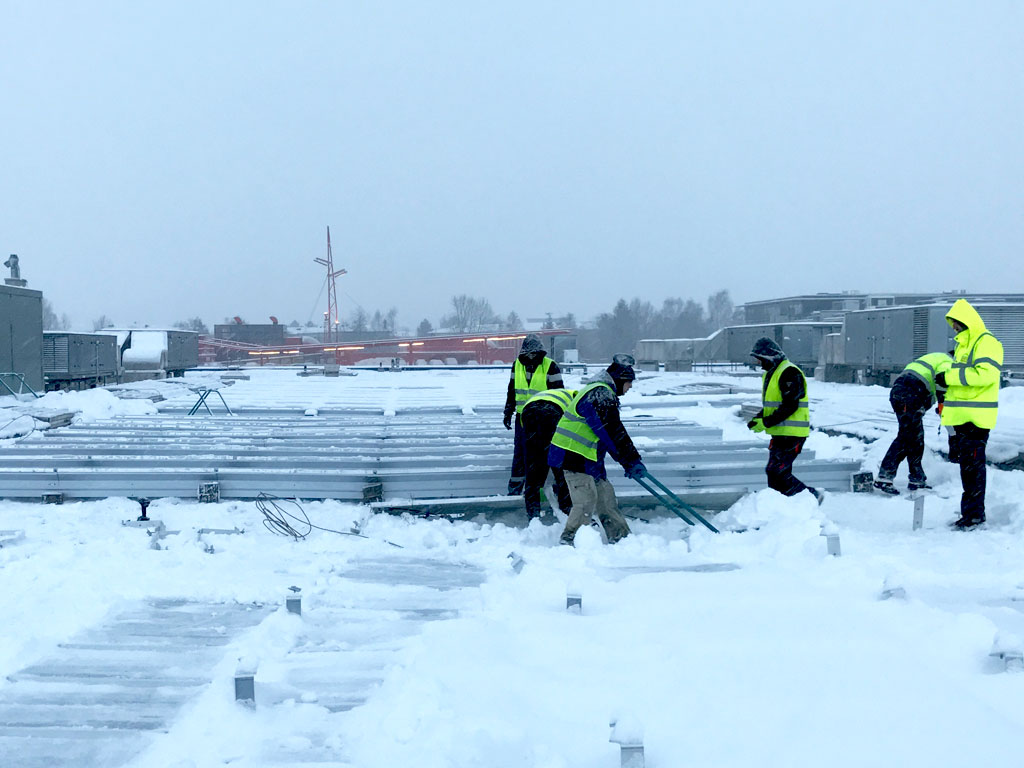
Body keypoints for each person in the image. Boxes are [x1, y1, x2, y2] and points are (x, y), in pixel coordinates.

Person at [549, 354, 645, 545]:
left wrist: (628, 460)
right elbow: (612, 432)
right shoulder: (599, 395)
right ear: (619, 380)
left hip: (589, 456)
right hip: (572, 455)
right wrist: (630, 460)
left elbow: (609, 434)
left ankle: (622, 539)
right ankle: (570, 540)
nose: (631, 386)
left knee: (606, 498)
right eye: (629, 382)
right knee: (585, 501)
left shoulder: (601, 393)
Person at [937, 300, 1003, 530]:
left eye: (956, 324)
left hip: (975, 418)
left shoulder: (987, 343)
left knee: (973, 470)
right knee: (968, 470)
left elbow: (984, 376)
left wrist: (949, 377)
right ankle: (970, 513)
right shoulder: (965, 346)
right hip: (963, 418)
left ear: (966, 322)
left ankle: (974, 516)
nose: (954, 328)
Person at [745, 337, 822, 503]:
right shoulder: (773, 373)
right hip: (781, 432)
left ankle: (810, 498)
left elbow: (790, 405)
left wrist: (766, 422)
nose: (759, 363)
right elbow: (772, 406)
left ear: (771, 356)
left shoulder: (789, 372)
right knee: (773, 473)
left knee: (777, 471)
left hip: (793, 434)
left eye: (760, 359)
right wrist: (759, 418)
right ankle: (780, 506)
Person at [873, 352, 952, 495]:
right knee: (907, 438)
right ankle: (885, 476)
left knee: (914, 438)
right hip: (910, 395)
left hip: (901, 393)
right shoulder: (948, 362)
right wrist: (942, 402)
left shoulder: (935, 357)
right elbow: (942, 382)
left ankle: (916, 478)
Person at [503, 334, 563, 494]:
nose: (531, 356)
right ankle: (515, 489)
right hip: (523, 419)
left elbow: (559, 393)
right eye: (529, 353)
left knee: (547, 453)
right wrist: (508, 410)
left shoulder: (550, 366)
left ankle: (555, 489)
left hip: (546, 420)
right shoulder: (517, 365)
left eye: (534, 353)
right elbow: (512, 389)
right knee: (521, 454)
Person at [520, 387, 577, 521]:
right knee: (560, 463)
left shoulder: (562, 394)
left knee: (533, 467)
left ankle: (533, 513)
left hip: (529, 411)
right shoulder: (576, 402)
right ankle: (566, 507)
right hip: (552, 412)